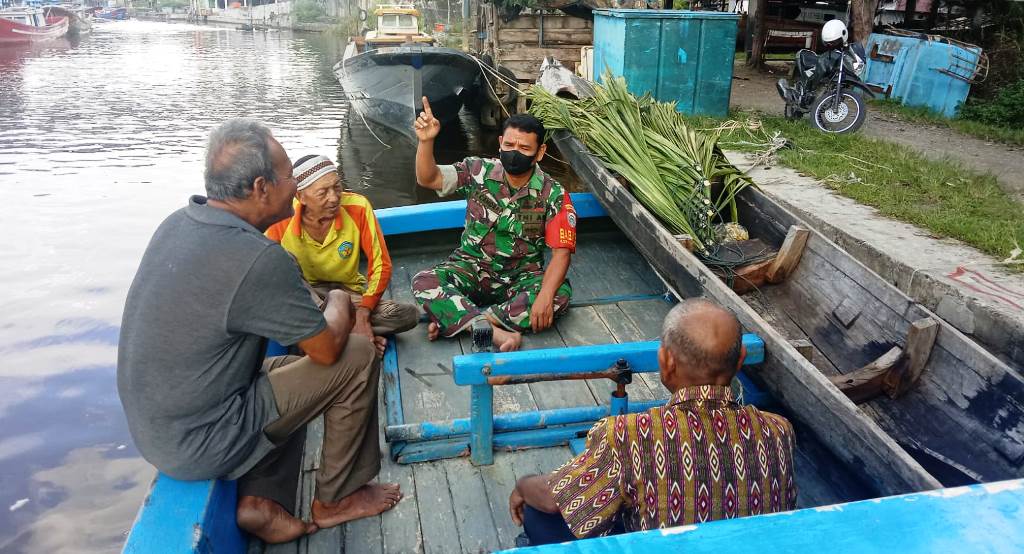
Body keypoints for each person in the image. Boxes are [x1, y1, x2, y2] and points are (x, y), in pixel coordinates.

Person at [117, 119, 401, 545]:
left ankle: (261, 499)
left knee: (284, 372)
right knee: (356, 356)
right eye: (288, 177)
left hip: (158, 430)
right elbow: (326, 351)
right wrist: (342, 298)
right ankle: (337, 499)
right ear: (260, 188)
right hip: (203, 440)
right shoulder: (259, 257)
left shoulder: (177, 222)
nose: (293, 186)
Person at [507, 299, 798, 545]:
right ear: (741, 359)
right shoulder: (779, 429)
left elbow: (553, 500)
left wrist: (522, 485)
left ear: (666, 361)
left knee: (541, 512)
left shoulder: (627, 434)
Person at [411, 97, 577, 352]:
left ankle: (464, 320)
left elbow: (561, 253)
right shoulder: (477, 170)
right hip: (471, 268)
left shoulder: (552, 194)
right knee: (425, 281)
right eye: (509, 144)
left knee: (558, 293)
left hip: (521, 277)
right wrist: (426, 141)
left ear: (540, 152)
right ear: (500, 143)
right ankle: (490, 328)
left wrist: (544, 296)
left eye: (524, 148)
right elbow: (428, 178)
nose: (514, 152)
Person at [265, 154, 418, 336]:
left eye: (337, 187)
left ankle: (333, 333)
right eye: (323, 193)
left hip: (349, 294)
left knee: (408, 314)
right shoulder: (282, 217)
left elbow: (381, 266)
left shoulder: (358, 207)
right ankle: (345, 333)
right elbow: (269, 270)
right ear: (300, 196)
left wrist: (363, 315)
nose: (334, 198)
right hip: (309, 296)